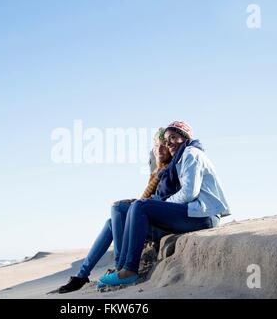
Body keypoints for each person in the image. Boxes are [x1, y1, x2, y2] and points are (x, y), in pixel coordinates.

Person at [98, 121, 230, 287]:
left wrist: (163, 203)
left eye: (173, 138)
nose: (169, 144)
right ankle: (121, 269)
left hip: (204, 215)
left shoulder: (191, 153)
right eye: (167, 141)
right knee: (134, 207)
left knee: (141, 206)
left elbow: (190, 193)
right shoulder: (181, 158)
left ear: (185, 137)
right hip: (194, 213)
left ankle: (129, 270)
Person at [57, 128, 172, 293]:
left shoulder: (169, 168)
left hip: (160, 221)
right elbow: (149, 198)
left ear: (170, 147)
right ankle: (82, 276)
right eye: (156, 146)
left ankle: (120, 267)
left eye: (163, 146)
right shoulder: (156, 170)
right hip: (148, 216)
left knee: (117, 208)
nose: (159, 150)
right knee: (111, 222)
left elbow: (167, 200)